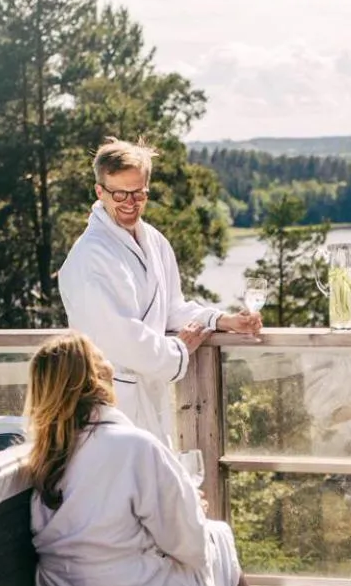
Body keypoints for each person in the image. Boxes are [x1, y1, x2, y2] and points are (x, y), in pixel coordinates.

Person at [26, 331, 334, 586]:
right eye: (101, 357)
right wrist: (192, 511)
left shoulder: (45, 455)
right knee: (214, 547)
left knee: (207, 556)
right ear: (97, 377)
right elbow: (189, 545)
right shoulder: (133, 446)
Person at [57, 138, 261, 448]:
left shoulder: (153, 240)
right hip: (107, 403)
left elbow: (171, 308)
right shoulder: (91, 256)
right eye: (119, 194)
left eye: (138, 193)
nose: (130, 203)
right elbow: (121, 337)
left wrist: (223, 321)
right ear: (100, 192)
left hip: (149, 394)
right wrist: (177, 349)